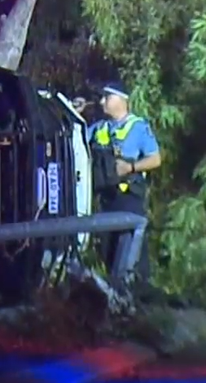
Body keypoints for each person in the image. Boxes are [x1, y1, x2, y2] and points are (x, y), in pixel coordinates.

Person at [88, 81, 161, 281]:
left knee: (130, 251)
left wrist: (131, 167)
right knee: (107, 251)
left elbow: (155, 159)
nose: (102, 101)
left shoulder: (138, 127)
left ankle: (137, 289)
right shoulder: (98, 128)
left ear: (122, 100)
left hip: (128, 198)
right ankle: (113, 290)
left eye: (107, 97)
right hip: (105, 200)